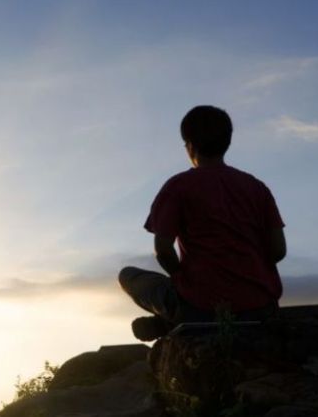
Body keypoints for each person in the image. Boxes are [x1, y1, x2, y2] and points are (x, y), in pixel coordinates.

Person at [118, 105, 287, 341]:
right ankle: (173, 320)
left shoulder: (178, 187)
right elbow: (279, 250)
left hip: (201, 306)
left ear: (189, 145)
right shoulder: (257, 188)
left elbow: (163, 250)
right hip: (260, 306)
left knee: (128, 275)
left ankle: (172, 319)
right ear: (227, 142)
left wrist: (180, 279)